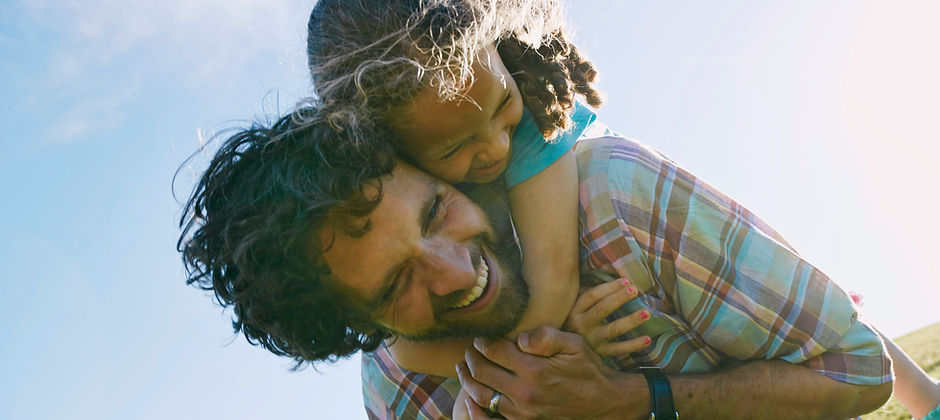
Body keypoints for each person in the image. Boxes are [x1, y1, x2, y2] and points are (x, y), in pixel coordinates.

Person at [178, 106, 893, 419]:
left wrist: (635, 402)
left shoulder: (615, 198)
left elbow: (861, 374)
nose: (456, 272)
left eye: (434, 212)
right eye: (400, 284)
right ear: (356, 326)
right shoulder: (396, 391)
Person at [306, 0, 605, 378]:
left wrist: (543, 344)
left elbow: (554, 282)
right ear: (388, 151)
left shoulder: (537, 121)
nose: (498, 146)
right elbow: (410, 356)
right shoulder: (398, 194)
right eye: (452, 148)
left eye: (503, 103)